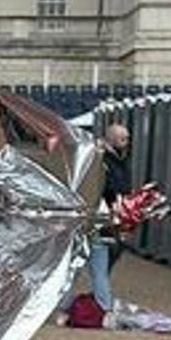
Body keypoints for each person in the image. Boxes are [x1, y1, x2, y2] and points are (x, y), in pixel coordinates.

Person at [58, 121, 130, 321]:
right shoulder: (107, 162)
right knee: (97, 268)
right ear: (111, 139)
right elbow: (113, 189)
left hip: (90, 220)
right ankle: (104, 308)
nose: (126, 143)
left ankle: (65, 307)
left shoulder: (95, 159)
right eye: (123, 139)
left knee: (76, 269)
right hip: (99, 220)